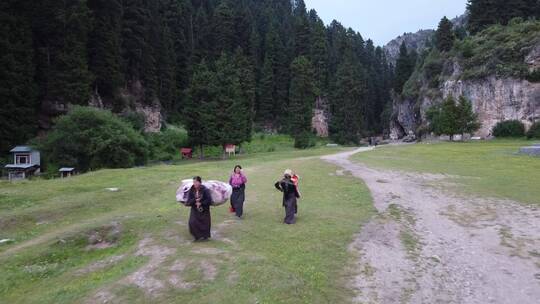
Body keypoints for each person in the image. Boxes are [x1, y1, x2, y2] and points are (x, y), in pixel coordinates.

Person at [186, 176, 213, 241]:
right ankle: (196, 237)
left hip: (204, 209)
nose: (194, 183)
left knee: (204, 223)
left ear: (200, 182)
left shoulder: (205, 190)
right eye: (193, 182)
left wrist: (201, 203)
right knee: (192, 222)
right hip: (195, 209)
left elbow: (209, 200)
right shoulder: (192, 190)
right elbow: (189, 201)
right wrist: (195, 200)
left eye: (196, 182)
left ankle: (205, 236)